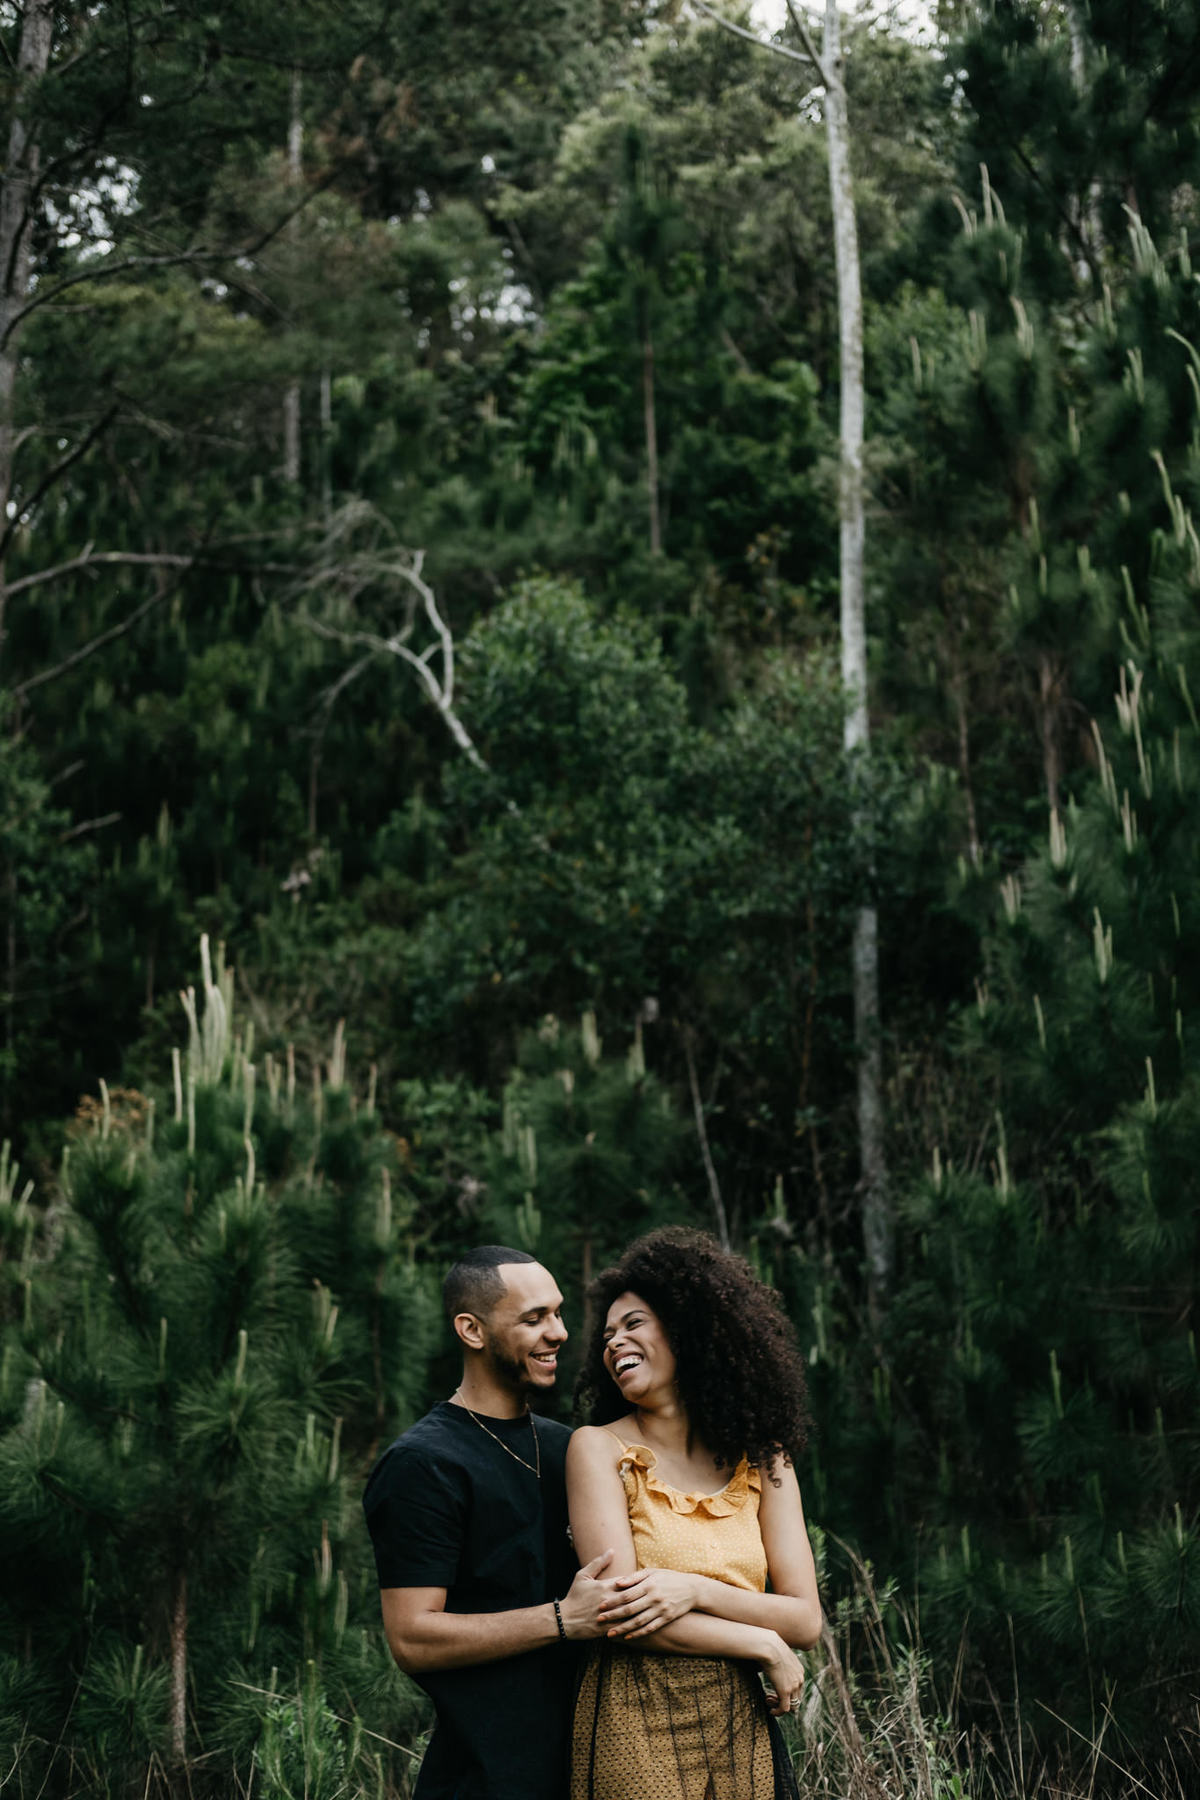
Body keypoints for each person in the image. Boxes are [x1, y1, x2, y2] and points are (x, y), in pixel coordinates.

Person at [567, 1227, 822, 1800]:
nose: (614, 1342)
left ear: (689, 1329)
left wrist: (693, 1590)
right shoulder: (598, 1448)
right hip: (635, 1718)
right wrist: (762, 1643)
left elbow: (805, 1620)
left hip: (741, 1723)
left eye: (633, 1323)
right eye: (607, 1335)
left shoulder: (765, 1460)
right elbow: (619, 1611)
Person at [363, 1245, 626, 1800]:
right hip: (486, 1781)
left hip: (600, 1771)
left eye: (558, 1313)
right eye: (533, 1318)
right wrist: (563, 1618)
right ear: (472, 1330)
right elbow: (412, 1637)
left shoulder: (572, 1449)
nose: (558, 1332)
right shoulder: (423, 1463)